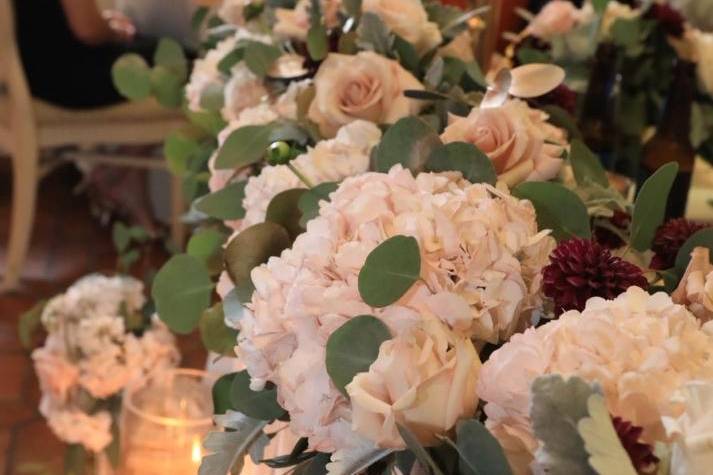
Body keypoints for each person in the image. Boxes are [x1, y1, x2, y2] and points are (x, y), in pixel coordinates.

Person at [11, 0, 171, 234]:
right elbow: (88, 31)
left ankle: (123, 175)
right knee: (187, 65)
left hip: (24, 80)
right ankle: (116, 173)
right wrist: (113, 29)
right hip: (67, 81)